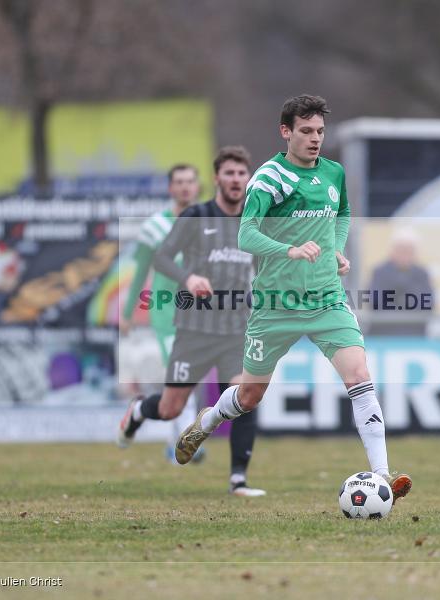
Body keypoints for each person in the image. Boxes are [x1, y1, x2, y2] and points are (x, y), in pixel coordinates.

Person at [173, 95, 412, 502]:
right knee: (250, 396)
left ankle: (384, 475)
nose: (315, 139)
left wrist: (336, 247)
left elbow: (342, 215)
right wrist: (289, 250)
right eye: (306, 131)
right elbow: (246, 235)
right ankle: (208, 420)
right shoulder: (269, 178)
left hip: (326, 300)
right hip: (275, 305)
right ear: (286, 132)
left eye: (320, 131)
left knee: (359, 375)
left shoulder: (333, 173)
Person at [118, 146, 264, 496]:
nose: (235, 180)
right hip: (194, 330)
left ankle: (238, 480)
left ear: (248, 179)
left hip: (235, 330)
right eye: (229, 173)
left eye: (241, 174)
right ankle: (139, 411)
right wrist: (188, 279)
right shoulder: (196, 216)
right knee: (171, 409)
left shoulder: (254, 220)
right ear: (216, 179)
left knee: (246, 396)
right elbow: (162, 259)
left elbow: (263, 266)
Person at [118, 164, 204, 463]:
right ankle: (188, 444)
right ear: (170, 188)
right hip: (167, 312)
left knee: (184, 382)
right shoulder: (155, 226)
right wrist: (127, 313)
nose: (184, 187)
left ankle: (173, 440)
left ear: (198, 186)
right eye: (178, 182)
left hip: (200, 313)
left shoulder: (208, 220)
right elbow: (140, 271)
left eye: (190, 181)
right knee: (184, 377)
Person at [367, 227, 434, 336]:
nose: (405, 254)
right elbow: (375, 302)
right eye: (401, 249)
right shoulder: (380, 272)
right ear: (392, 251)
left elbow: (428, 303)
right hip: (383, 334)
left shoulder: (422, 274)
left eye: (409, 250)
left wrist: (398, 298)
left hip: (414, 334)